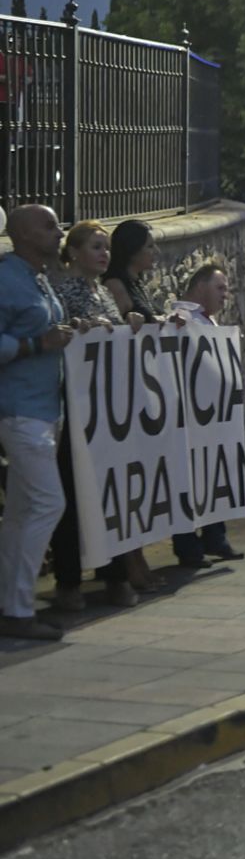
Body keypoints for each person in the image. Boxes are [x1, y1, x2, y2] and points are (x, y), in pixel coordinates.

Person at [48, 221, 145, 609]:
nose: (104, 254)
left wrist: (131, 323)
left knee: (110, 491)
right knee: (73, 495)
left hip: (106, 413)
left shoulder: (103, 292)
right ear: (72, 252)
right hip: (75, 410)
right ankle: (69, 582)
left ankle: (114, 577)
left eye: (106, 247)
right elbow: (61, 334)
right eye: (94, 247)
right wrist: (82, 329)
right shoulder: (61, 290)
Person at [0, 205, 79, 641]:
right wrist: (37, 344)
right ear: (25, 234)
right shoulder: (6, 279)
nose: (59, 232)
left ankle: (8, 603)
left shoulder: (39, 277)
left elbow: (49, 329)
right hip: (19, 410)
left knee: (19, 512)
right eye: (49, 226)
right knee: (50, 503)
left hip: (44, 409)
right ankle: (18, 607)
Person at [168, 265, 245, 569]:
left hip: (211, 416)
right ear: (200, 287)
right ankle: (188, 546)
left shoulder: (205, 320)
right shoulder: (182, 318)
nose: (226, 296)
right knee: (187, 480)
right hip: (190, 417)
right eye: (220, 288)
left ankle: (215, 536)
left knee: (213, 475)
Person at [103, 218, 163, 322]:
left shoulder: (137, 282)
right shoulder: (115, 286)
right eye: (150, 246)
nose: (157, 251)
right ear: (132, 249)